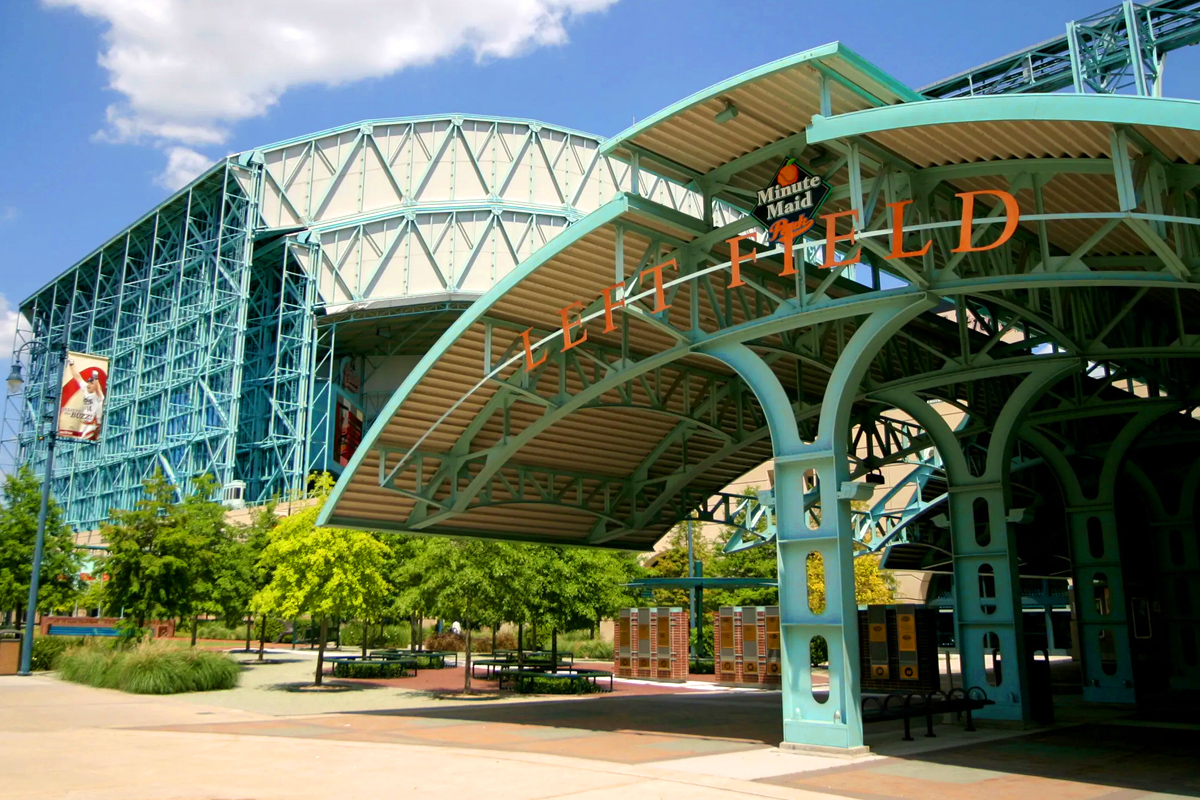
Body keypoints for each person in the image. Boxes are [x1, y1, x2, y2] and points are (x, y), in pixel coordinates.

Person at [67, 359, 105, 441]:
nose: (89, 385)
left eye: (91, 383)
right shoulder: (86, 389)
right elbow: (77, 377)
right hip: (84, 424)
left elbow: (98, 388)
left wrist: (96, 378)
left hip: (93, 426)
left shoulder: (98, 396)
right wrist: (71, 365)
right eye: (88, 383)